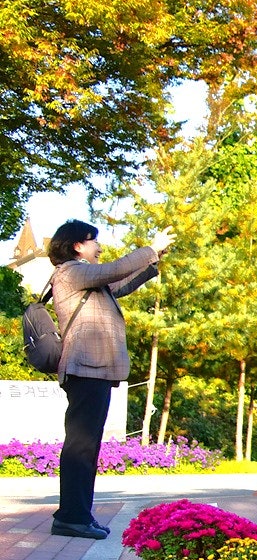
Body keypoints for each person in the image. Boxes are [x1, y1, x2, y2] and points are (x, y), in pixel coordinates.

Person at [47, 220, 173, 539]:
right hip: (84, 369)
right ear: (77, 245)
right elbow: (113, 271)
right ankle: (71, 517)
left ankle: (78, 514)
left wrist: (153, 259)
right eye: (94, 241)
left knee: (87, 446)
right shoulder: (71, 271)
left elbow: (121, 283)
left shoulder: (89, 280)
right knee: (81, 446)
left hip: (95, 370)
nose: (99, 247)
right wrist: (150, 249)